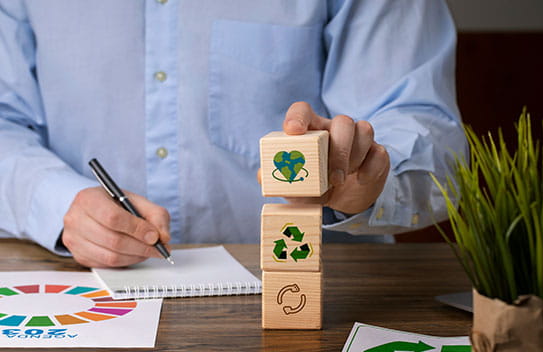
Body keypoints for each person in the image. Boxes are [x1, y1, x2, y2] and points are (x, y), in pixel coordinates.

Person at [0, 0, 467, 267]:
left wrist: (369, 179)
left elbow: (429, 134)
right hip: (81, 289)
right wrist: (60, 203)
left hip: (329, 294)